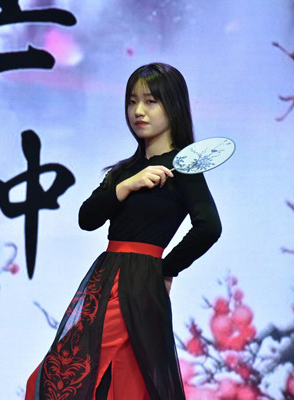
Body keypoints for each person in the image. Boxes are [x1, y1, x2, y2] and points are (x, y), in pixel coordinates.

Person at [25, 63, 222, 400]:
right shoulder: (124, 172)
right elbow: (87, 217)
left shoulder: (182, 167)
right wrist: (126, 186)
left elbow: (209, 226)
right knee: (112, 377)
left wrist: (165, 269)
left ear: (173, 106)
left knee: (67, 376)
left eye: (150, 101)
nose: (138, 111)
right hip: (107, 275)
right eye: (132, 102)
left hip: (138, 281)